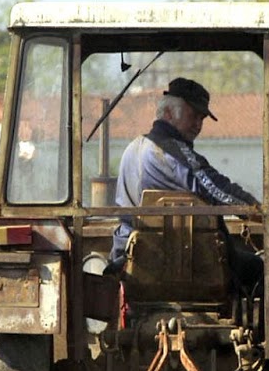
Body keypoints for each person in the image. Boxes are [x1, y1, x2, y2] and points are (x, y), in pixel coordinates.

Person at [108, 78, 261, 288]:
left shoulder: (134, 147)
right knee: (257, 267)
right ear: (169, 113)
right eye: (193, 116)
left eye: (202, 118)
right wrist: (258, 211)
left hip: (130, 255)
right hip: (172, 257)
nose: (198, 125)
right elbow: (216, 189)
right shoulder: (171, 152)